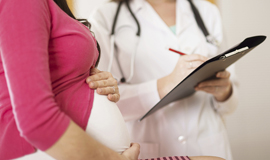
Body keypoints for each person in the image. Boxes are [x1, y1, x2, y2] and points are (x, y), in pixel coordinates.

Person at [0, 0, 224, 160]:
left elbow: (65, 77)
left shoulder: (207, 10)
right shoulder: (107, 15)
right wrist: (166, 84)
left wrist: (95, 80)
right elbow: (35, 117)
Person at [88, 0, 239, 159]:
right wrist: (167, 84)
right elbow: (105, 102)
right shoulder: (105, 18)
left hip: (208, 145)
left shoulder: (208, 12)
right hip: (149, 147)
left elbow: (230, 106)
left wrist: (225, 92)